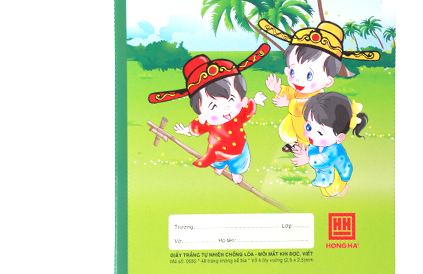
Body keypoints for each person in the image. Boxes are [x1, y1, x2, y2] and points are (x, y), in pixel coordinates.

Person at [148, 45, 269, 184]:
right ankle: (221, 166)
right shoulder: (207, 122)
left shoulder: (238, 114)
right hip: (217, 150)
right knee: (217, 161)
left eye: (231, 99)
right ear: (202, 112)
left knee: (240, 162)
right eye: (213, 106)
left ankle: (235, 172)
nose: (226, 109)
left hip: (240, 147)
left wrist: (256, 101)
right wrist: (186, 130)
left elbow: (247, 110)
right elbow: (196, 127)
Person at [259, 19, 379, 152]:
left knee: (307, 137)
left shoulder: (320, 98)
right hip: (296, 124)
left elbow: (307, 106)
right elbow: (290, 92)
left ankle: (307, 150)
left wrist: (288, 103)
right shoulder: (299, 90)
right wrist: (278, 89)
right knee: (295, 134)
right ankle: (297, 145)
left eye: (308, 75)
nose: (298, 80)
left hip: (310, 126)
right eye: (292, 72)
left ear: (329, 81)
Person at [291, 92, 368, 198]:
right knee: (325, 190)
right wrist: (305, 152)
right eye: (309, 127)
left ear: (340, 137)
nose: (311, 134)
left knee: (330, 192)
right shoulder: (318, 144)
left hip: (338, 174)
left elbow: (323, 160)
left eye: (320, 133)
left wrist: (307, 159)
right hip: (326, 173)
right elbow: (313, 149)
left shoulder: (334, 151)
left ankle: (342, 189)